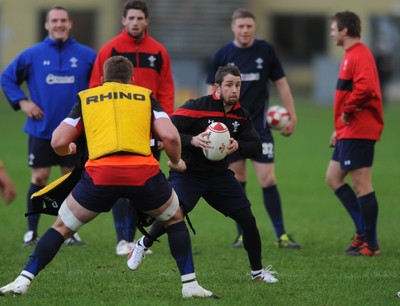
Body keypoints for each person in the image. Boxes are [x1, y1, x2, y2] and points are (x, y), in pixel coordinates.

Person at [0, 56, 218, 299]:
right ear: (132, 80)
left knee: (61, 227)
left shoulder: (87, 98)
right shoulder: (145, 96)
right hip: (142, 173)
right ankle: (189, 285)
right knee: (175, 218)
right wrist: (177, 162)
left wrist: (69, 150)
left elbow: (58, 141)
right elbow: (171, 137)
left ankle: (22, 281)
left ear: (103, 80)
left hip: (101, 175)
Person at [127, 65, 279, 285]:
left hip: (219, 176)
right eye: (229, 85)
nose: (234, 90)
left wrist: (239, 145)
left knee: (248, 220)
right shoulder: (196, 107)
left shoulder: (241, 115)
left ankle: (257, 272)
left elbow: (256, 146)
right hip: (189, 173)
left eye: (238, 85)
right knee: (172, 214)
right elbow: (167, 129)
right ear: (217, 87)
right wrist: (192, 140)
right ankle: (142, 245)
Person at [0, 6, 96, 246]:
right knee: (40, 177)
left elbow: (98, 85)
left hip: (74, 132)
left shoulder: (87, 55)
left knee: (68, 179)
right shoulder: (32, 54)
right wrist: (23, 102)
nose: (59, 24)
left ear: (70, 24)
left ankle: (69, 232)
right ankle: (31, 232)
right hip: (41, 129)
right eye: (54, 21)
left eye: (63, 20)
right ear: (47, 25)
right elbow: (7, 78)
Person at [205, 8, 299, 249]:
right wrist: (208, 124)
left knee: (267, 179)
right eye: (241, 26)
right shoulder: (222, 54)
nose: (245, 30)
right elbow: (210, 93)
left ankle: (281, 235)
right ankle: (241, 234)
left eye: (249, 26)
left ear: (254, 28)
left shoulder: (265, 51)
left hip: (259, 128)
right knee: (238, 180)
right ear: (233, 28)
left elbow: (282, 84)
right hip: (229, 129)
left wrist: (292, 116)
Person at [89, 0, 175, 255]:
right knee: (120, 186)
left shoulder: (158, 51)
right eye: (131, 18)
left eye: (140, 18)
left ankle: (138, 239)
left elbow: (167, 90)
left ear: (147, 21)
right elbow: (96, 88)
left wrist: (163, 126)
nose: (135, 23)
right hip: (117, 131)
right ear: (123, 20)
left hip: (148, 132)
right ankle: (122, 240)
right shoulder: (110, 49)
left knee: (144, 186)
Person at [326, 11, 383, 256]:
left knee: (362, 185)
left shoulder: (360, 54)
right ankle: (362, 231)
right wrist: (339, 128)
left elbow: (366, 88)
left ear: (344, 31)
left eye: (333, 28)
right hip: (349, 129)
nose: (331, 32)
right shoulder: (351, 55)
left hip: (360, 129)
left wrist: (347, 112)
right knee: (333, 177)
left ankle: (371, 243)